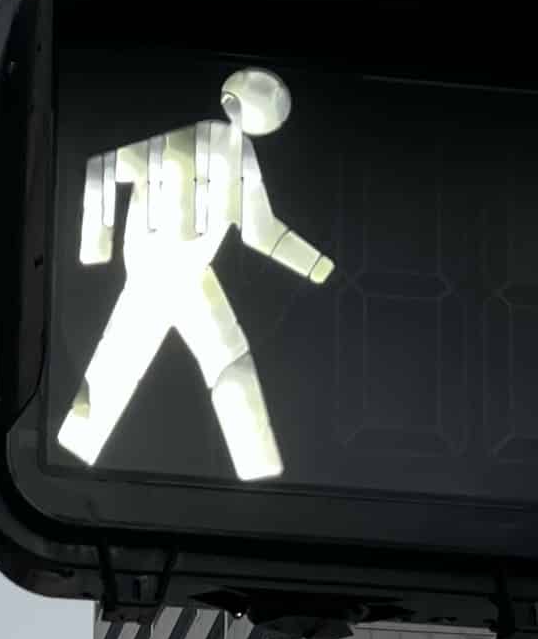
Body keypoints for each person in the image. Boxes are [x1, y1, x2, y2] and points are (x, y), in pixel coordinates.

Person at [57, 67, 332, 480]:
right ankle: (68, 464)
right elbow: (105, 168)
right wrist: (94, 247)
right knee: (129, 366)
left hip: (187, 274)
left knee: (216, 366)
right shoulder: (186, 143)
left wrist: (313, 265)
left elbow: (260, 230)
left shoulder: (230, 155)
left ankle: (260, 474)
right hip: (157, 272)